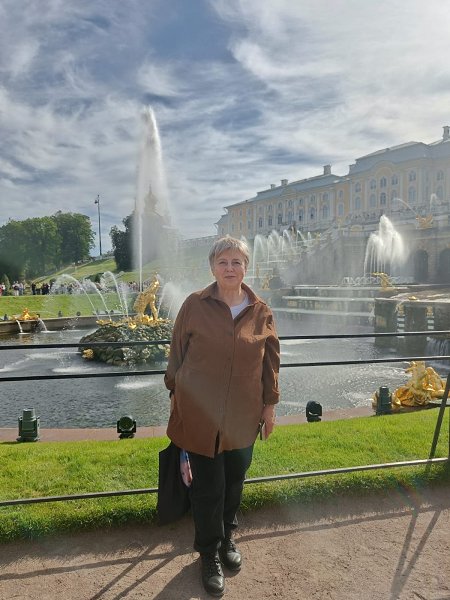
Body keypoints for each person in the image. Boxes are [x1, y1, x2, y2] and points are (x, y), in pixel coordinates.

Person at [164, 236, 280, 597]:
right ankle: (208, 553)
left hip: (243, 415)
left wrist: (270, 406)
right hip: (200, 413)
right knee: (208, 487)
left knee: (233, 482)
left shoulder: (260, 310)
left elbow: (271, 362)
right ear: (212, 267)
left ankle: (228, 537)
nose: (230, 268)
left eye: (237, 262)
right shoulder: (194, 304)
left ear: (246, 267)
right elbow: (177, 352)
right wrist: (174, 392)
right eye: (223, 262)